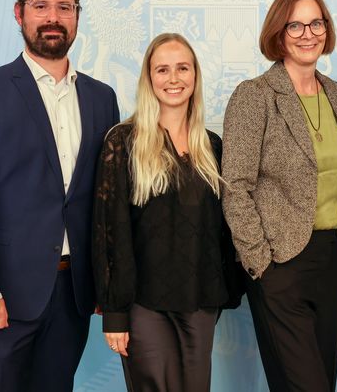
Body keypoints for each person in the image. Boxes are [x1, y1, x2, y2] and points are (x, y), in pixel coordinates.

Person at [0, 0, 120, 391]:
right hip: (1, 295)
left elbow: (104, 202)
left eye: (65, 6)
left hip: (72, 295)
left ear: (77, 16)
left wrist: (105, 284)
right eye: (41, 6)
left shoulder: (102, 98)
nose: (53, 17)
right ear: (19, 13)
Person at [222, 0, 337, 391]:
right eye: (296, 25)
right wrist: (262, 264)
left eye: (316, 22)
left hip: (331, 257)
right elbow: (234, 185)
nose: (308, 33)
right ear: (278, 33)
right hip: (280, 262)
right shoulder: (255, 96)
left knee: (322, 379)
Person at [91, 33, 242, 392]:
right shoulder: (123, 141)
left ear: (195, 76)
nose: (173, 79)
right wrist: (114, 312)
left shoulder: (213, 146)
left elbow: (221, 229)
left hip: (201, 302)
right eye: (163, 69)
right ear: (149, 78)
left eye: (182, 68)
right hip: (143, 304)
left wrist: (227, 290)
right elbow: (109, 229)